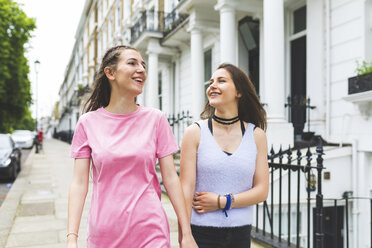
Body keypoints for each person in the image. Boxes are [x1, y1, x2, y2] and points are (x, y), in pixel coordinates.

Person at [67, 45, 197, 248]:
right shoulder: (87, 123)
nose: (142, 70)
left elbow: (171, 178)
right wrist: (71, 238)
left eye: (143, 65)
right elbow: (79, 183)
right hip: (105, 232)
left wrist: (186, 234)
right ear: (110, 72)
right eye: (132, 63)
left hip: (151, 231)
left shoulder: (156, 119)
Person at [180, 63, 269, 248]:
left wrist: (223, 201)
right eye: (211, 81)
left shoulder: (257, 135)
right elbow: (185, 190)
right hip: (200, 233)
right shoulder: (194, 132)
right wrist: (185, 237)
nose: (212, 85)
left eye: (221, 81)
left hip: (241, 235)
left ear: (239, 92)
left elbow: (262, 190)